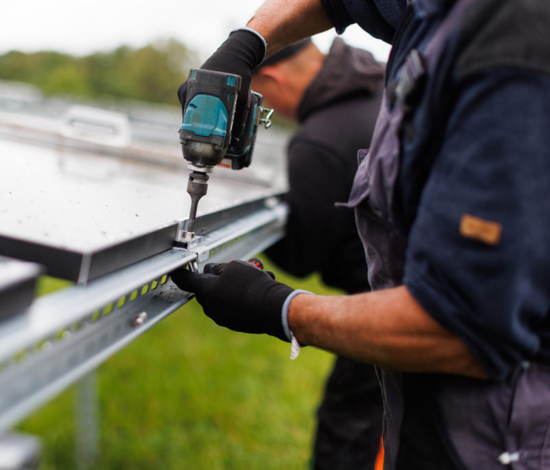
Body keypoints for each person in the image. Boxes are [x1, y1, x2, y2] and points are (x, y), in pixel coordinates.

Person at [173, 1, 550, 469]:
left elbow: (462, 325)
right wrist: (247, 42)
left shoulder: (515, 38)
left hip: (495, 437)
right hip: (409, 394)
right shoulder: (427, 14)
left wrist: (279, 308)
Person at [252, 38, 384, 469]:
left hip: (382, 312)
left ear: (271, 77)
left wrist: (265, 220)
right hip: (438, 292)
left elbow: (301, 256)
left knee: (347, 435)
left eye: (259, 96)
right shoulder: (385, 88)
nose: (265, 107)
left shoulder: (317, 141)